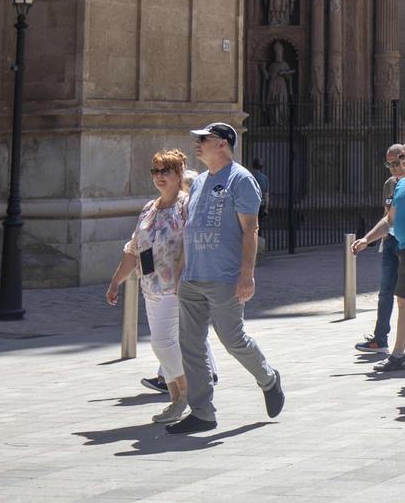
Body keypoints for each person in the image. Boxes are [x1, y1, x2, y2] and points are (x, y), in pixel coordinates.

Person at [167, 122, 284, 434]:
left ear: (223, 144)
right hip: (194, 276)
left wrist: (247, 274)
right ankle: (202, 412)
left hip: (225, 276)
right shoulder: (201, 181)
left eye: (204, 139)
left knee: (233, 339)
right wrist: (181, 271)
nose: (197, 143)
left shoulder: (241, 179)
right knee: (189, 344)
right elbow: (190, 230)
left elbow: (250, 229)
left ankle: (269, 378)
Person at [107, 148, 195, 424]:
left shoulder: (187, 205)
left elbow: (194, 244)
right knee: (163, 345)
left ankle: (190, 392)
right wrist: (116, 281)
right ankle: (176, 401)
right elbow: (134, 248)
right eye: (155, 171)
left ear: (179, 174)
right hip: (150, 286)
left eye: (165, 171)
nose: (159, 177)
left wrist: (183, 275)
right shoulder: (149, 208)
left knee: (162, 342)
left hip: (176, 286)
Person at [352, 143, 405, 372]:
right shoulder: (399, 186)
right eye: (401, 157)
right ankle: (398, 355)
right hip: (404, 250)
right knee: (404, 302)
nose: (403, 160)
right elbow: (389, 220)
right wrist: (366, 239)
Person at [354, 144, 405, 355]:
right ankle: (380, 338)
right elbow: (387, 215)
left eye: (397, 163)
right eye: (389, 164)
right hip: (392, 242)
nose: (393, 168)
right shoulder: (390, 184)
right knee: (385, 291)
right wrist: (369, 239)